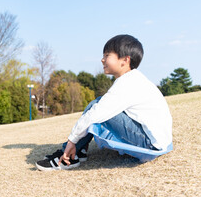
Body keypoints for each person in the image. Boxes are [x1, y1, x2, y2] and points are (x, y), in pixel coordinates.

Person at [35, 34, 172, 171]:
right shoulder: (134, 79)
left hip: (149, 143)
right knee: (98, 105)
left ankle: (68, 155)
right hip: (157, 140)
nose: (102, 60)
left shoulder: (127, 84)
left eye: (107, 55)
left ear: (125, 60)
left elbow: (96, 114)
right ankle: (79, 150)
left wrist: (72, 140)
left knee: (96, 107)